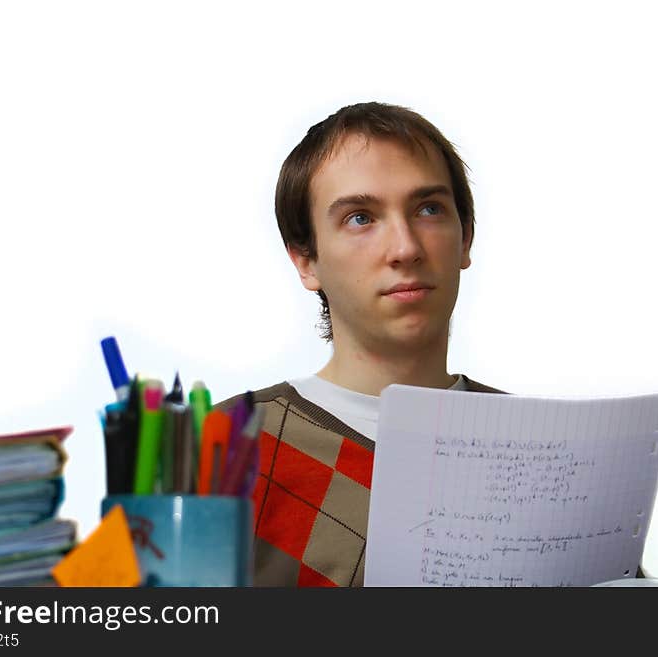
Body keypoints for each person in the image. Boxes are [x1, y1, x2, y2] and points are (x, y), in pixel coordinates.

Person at [215, 101, 507, 586]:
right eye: (359, 217)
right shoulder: (221, 446)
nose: (406, 248)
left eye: (429, 209)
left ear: (465, 239)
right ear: (306, 261)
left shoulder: (552, 448)